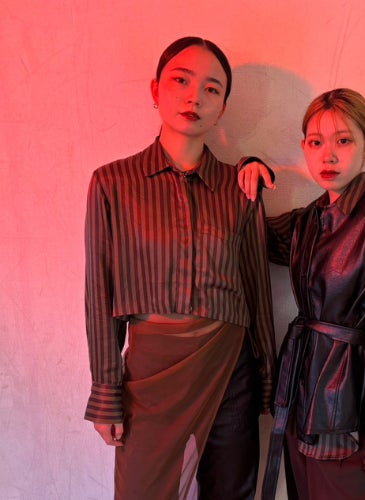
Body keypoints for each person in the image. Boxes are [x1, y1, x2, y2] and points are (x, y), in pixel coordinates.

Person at [84, 36, 276, 500]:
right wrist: (106, 392)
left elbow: (257, 288)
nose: (195, 97)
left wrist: (268, 379)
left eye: (211, 89)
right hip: (150, 373)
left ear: (222, 107)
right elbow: (99, 294)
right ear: (155, 90)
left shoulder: (241, 187)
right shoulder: (112, 183)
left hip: (230, 369)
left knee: (230, 491)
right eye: (181, 81)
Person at [238, 88, 365, 500]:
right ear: (304, 147)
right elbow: (249, 236)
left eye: (343, 141)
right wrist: (249, 169)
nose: (329, 155)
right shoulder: (310, 220)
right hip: (299, 395)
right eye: (316, 142)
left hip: (349, 414)